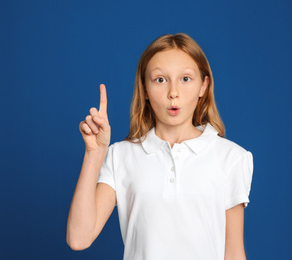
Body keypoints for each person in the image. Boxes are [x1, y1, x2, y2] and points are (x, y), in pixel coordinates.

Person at [67, 33, 254, 260]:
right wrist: (95, 153)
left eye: (185, 79)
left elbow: (233, 253)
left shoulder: (231, 157)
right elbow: (79, 238)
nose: (173, 93)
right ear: (144, 88)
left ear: (203, 86)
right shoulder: (120, 155)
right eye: (160, 80)